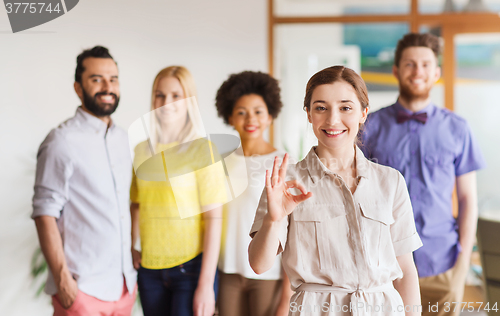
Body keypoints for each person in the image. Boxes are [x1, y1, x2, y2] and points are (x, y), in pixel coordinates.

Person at [248, 65, 423, 316]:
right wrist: (272, 219)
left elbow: (405, 268)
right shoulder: (286, 183)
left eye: (345, 108)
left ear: (363, 113)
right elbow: (259, 264)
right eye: (321, 108)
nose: (332, 120)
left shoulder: (390, 181)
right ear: (308, 114)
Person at [361, 33, 486, 316]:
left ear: (436, 73)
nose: (418, 72)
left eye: (426, 65)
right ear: (395, 70)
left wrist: (463, 259)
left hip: (442, 263)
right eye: (410, 64)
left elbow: (468, 199)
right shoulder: (369, 127)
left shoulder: (458, 128)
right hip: (384, 263)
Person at [32, 46, 137, 316]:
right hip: (82, 290)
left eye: (113, 79)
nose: (107, 86)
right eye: (96, 79)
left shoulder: (125, 140)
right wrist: (63, 281)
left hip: (124, 288)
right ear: (78, 88)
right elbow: (45, 214)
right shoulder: (61, 141)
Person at [130, 66, 227, 316]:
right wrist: (131, 246)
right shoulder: (141, 150)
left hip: (191, 270)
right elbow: (136, 203)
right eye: (159, 95)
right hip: (149, 270)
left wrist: (206, 285)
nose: (166, 103)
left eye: (176, 95)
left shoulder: (203, 150)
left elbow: (214, 220)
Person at [215, 71, 293, 316]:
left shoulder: (283, 162)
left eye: (258, 111)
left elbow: (293, 232)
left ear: (270, 116)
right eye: (241, 112)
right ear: (229, 116)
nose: (251, 119)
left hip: (268, 274)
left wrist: (286, 298)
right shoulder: (220, 161)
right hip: (228, 271)